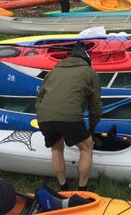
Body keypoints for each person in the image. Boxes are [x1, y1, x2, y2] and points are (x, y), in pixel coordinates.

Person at [35, 43, 102, 192]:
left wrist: (42, 118)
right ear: (87, 58)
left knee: (56, 148)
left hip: (44, 116)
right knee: (86, 147)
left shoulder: (53, 71)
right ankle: (82, 189)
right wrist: (92, 128)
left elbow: (39, 98)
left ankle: (63, 187)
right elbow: (95, 106)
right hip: (69, 116)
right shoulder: (90, 73)